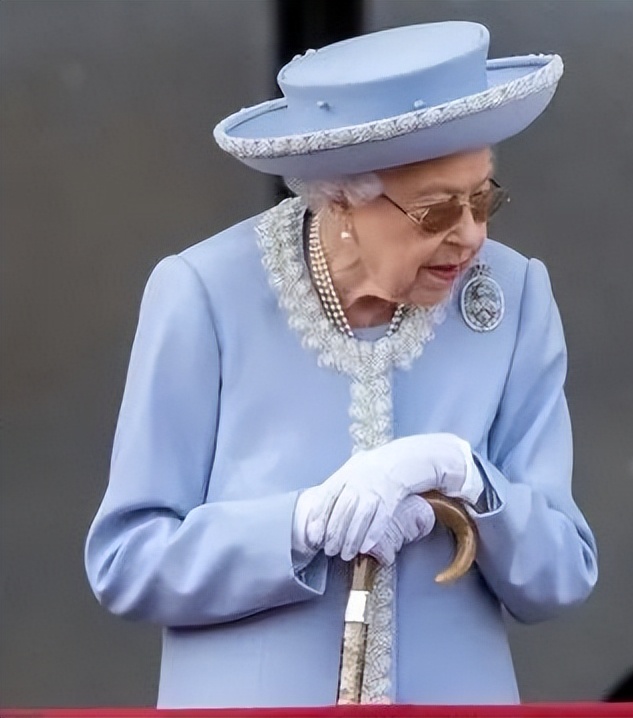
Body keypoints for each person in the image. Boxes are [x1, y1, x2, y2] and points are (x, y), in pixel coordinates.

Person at [83, 21, 597, 708]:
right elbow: (127, 562)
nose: (471, 235)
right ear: (340, 199)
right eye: (436, 211)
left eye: (483, 199)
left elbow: (562, 572)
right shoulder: (205, 293)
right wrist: (298, 524)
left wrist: (471, 481)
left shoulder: (514, 296)